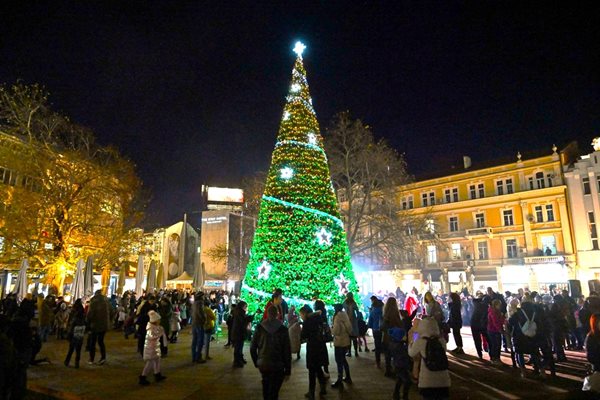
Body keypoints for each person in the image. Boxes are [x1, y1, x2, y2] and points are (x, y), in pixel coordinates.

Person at [250, 303, 292, 400]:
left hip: (263, 363)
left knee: (266, 386)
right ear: (277, 314)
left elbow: (253, 347)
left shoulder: (260, 328)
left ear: (267, 314)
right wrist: (288, 370)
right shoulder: (283, 329)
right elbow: (286, 350)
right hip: (278, 364)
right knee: (274, 391)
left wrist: (257, 361)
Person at [408, 317, 451, 400]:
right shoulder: (441, 340)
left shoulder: (421, 341)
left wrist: (414, 336)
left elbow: (411, 352)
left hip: (427, 381)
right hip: (444, 380)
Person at [299, 304, 328, 400]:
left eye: (301, 315)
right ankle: (323, 387)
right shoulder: (317, 318)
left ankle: (311, 392)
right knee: (318, 367)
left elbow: (303, 335)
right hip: (320, 346)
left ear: (304, 313)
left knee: (312, 370)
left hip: (312, 347)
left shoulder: (307, 322)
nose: (301, 317)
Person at [139, 310, 167, 385]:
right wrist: (160, 333)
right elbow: (152, 337)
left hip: (154, 347)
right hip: (150, 348)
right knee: (150, 362)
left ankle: (157, 374)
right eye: (158, 320)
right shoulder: (150, 328)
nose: (160, 321)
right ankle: (143, 376)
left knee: (157, 360)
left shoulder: (155, 327)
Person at [86, 290, 111, 365]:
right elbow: (113, 311)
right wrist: (109, 321)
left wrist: (88, 322)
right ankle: (103, 358)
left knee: (92, 342)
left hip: (95, 324)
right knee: (101, 341)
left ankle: (91, 359)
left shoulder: (94, 301)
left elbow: (90, 314)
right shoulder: (106, 301)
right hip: (104, 325)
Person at [331, 304, 352, 389]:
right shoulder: (345, 315)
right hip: (346, 340)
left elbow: (336, 330)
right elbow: (349, 328)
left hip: (339, 341)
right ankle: (348, 377)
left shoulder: (337, 317)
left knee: (339, 361)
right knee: (343, 360)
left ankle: (339, 380)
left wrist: (331, 330)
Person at [381, 297, 403, 378]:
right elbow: (401, 326)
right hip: (395, 338)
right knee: (395, 356)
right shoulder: (396, 315)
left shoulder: (385, 315)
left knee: (387, 356)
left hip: (387, 338)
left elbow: (382, 327)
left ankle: (388, 370)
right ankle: (396, 370)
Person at [64, 299, 86, 368]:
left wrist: (68, 334)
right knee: (78, 350)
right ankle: (77, 363)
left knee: (71, 349)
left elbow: (71, 327)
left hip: (74, 335)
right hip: (80, 334)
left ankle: (67, 361)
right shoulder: (83, 317)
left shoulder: (74, 317)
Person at [231, 301, 253, 368]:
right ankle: (237, 361)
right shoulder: (239, 313)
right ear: (242, 306)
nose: (246, 308)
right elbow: (242, 322)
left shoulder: (239, 312)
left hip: (239, 332)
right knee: (238, 347)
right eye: (245, 306)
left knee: (240, 347)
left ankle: (239, 360)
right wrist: (248, 319)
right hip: (238, 333)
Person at [470, 291, 489, 359]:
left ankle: (479, 353)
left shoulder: (476, 303)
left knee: (477, 339)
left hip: (475, 323)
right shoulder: (486, 306)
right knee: (488, 339)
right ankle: (490, 353)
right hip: (481, 323)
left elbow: (474, 300)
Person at [487, 299, 505, 364]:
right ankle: (493, 358)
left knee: (497, 345)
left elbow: (500, 321)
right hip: (493, 330)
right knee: (494, 345)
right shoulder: (493, 312)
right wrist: (500, 330)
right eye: (499, 305)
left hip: (495, 330)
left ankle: (496, 358)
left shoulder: (497, 311)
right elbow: (495, 322)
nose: (500, 306)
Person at [368, 295, 384, 368]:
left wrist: (370, 326)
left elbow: (370, 320)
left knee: (377, 345)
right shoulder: (383, 309)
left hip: (375, 329)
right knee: (384, 344)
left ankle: (378, 362)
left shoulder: (373, 310)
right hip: (383, 329)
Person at [191, 292, 206, 363]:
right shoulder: (200, 303)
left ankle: (194, 356)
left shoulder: (194, 303)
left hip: (194, 323)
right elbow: (201, 313)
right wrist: (204, 319)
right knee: (200, 341)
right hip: (199, 323)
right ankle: (198, 357)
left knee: (195, 340)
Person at [343, 292, 360, 357]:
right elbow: (357, 311)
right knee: (354, 338)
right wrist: (358, 318)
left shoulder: (345, 302)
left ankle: (349, 352)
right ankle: (356, 352)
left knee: (349, 338)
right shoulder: (353, 303)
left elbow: (343, 310)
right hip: (353, 321)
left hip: (347, 320)